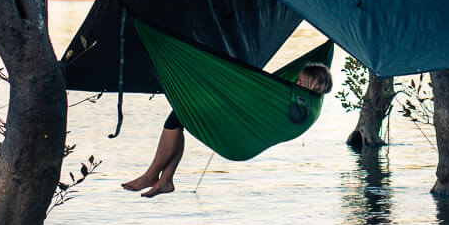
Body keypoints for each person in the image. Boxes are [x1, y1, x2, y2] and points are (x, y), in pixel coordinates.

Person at [123, 63, 334, 197]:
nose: (295, 82)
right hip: (241, 118)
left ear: (312, 84)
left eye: (300, 81)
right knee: (180, 115)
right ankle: (165, 180)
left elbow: (295, 114)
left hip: (240, 129)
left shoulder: (302, 102)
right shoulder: (311, 101)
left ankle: (152, 175)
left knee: (180, 114)